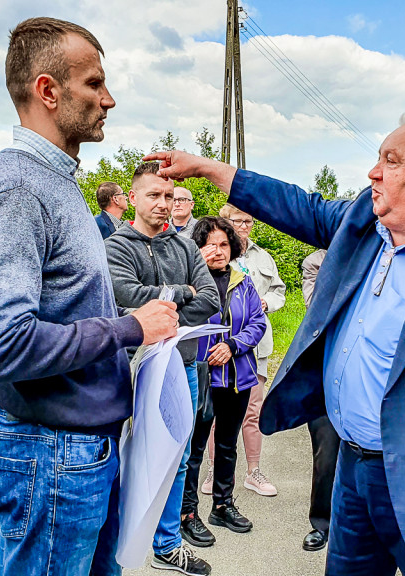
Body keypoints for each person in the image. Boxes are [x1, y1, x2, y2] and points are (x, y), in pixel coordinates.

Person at [144, 112, 405, 575]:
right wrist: (207, 168)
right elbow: (296, 204)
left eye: (391, 161)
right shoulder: (364, 222)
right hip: (353, 471)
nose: (373, 173)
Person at [0, 17, 178, 575]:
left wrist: (127, 319)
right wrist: (131, 329)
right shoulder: (17, 187)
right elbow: (0, 346)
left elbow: (62, 309)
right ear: (47, 90)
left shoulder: (56, 181)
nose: (109, 99)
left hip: (78, 448)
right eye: (94, 84)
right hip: (50, 452)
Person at [103, 161, 219, 576]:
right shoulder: (115, 247)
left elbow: (210, 301)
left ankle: (166, 545)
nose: (163, 204)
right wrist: (181, 291)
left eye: (169, 196)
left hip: (180, 365)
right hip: (129, 366)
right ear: (132, 198)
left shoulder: (186, 247)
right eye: (154, 195)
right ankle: (116, 539)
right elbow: (124, 295)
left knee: (177, 454)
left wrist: (168, 299)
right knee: (120, 450)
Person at [181, 217, 267, 551]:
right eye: (209, 244)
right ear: (197, 247)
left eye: (223, 245)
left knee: (228, 445)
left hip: (236, 378)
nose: (217, 252)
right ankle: (188, 514)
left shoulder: (242, 282)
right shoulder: (188, 284)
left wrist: (232, 346)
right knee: (194, 450)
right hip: (200, 377)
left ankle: (222, 505)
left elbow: (257, 323)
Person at [201, 203, 285, 498]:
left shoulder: (261, 259)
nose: (245, 225)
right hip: (210, 359)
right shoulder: (201, 269)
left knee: (252, 412)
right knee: (210, 418)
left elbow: (277, 293)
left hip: (252, 351)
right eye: (239, 220)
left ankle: (253, 472)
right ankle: (213, 472)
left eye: (249, 220)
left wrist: (266, 304)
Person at [299, 248, 339, 553]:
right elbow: (317, 305)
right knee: (326, 453)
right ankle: (321, 524)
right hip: (329, 369)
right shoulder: (316, 262)